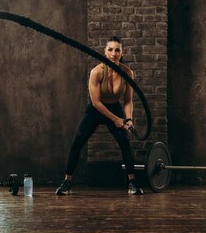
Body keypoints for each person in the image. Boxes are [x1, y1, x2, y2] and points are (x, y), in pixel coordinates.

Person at [56, 36, 143, 195]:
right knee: (77, 142)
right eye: (110, 49)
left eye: (117, 50)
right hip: (96, 110)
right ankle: (67, 181)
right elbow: (96, 102)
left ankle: (132, 183)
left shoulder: (127, 73)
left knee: (125, 143)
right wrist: (116, 119)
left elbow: (128, 101)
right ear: (105, 51)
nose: (114, 53)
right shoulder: (96, 72)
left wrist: (129, 119)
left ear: (122, 52)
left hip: (114, 107)